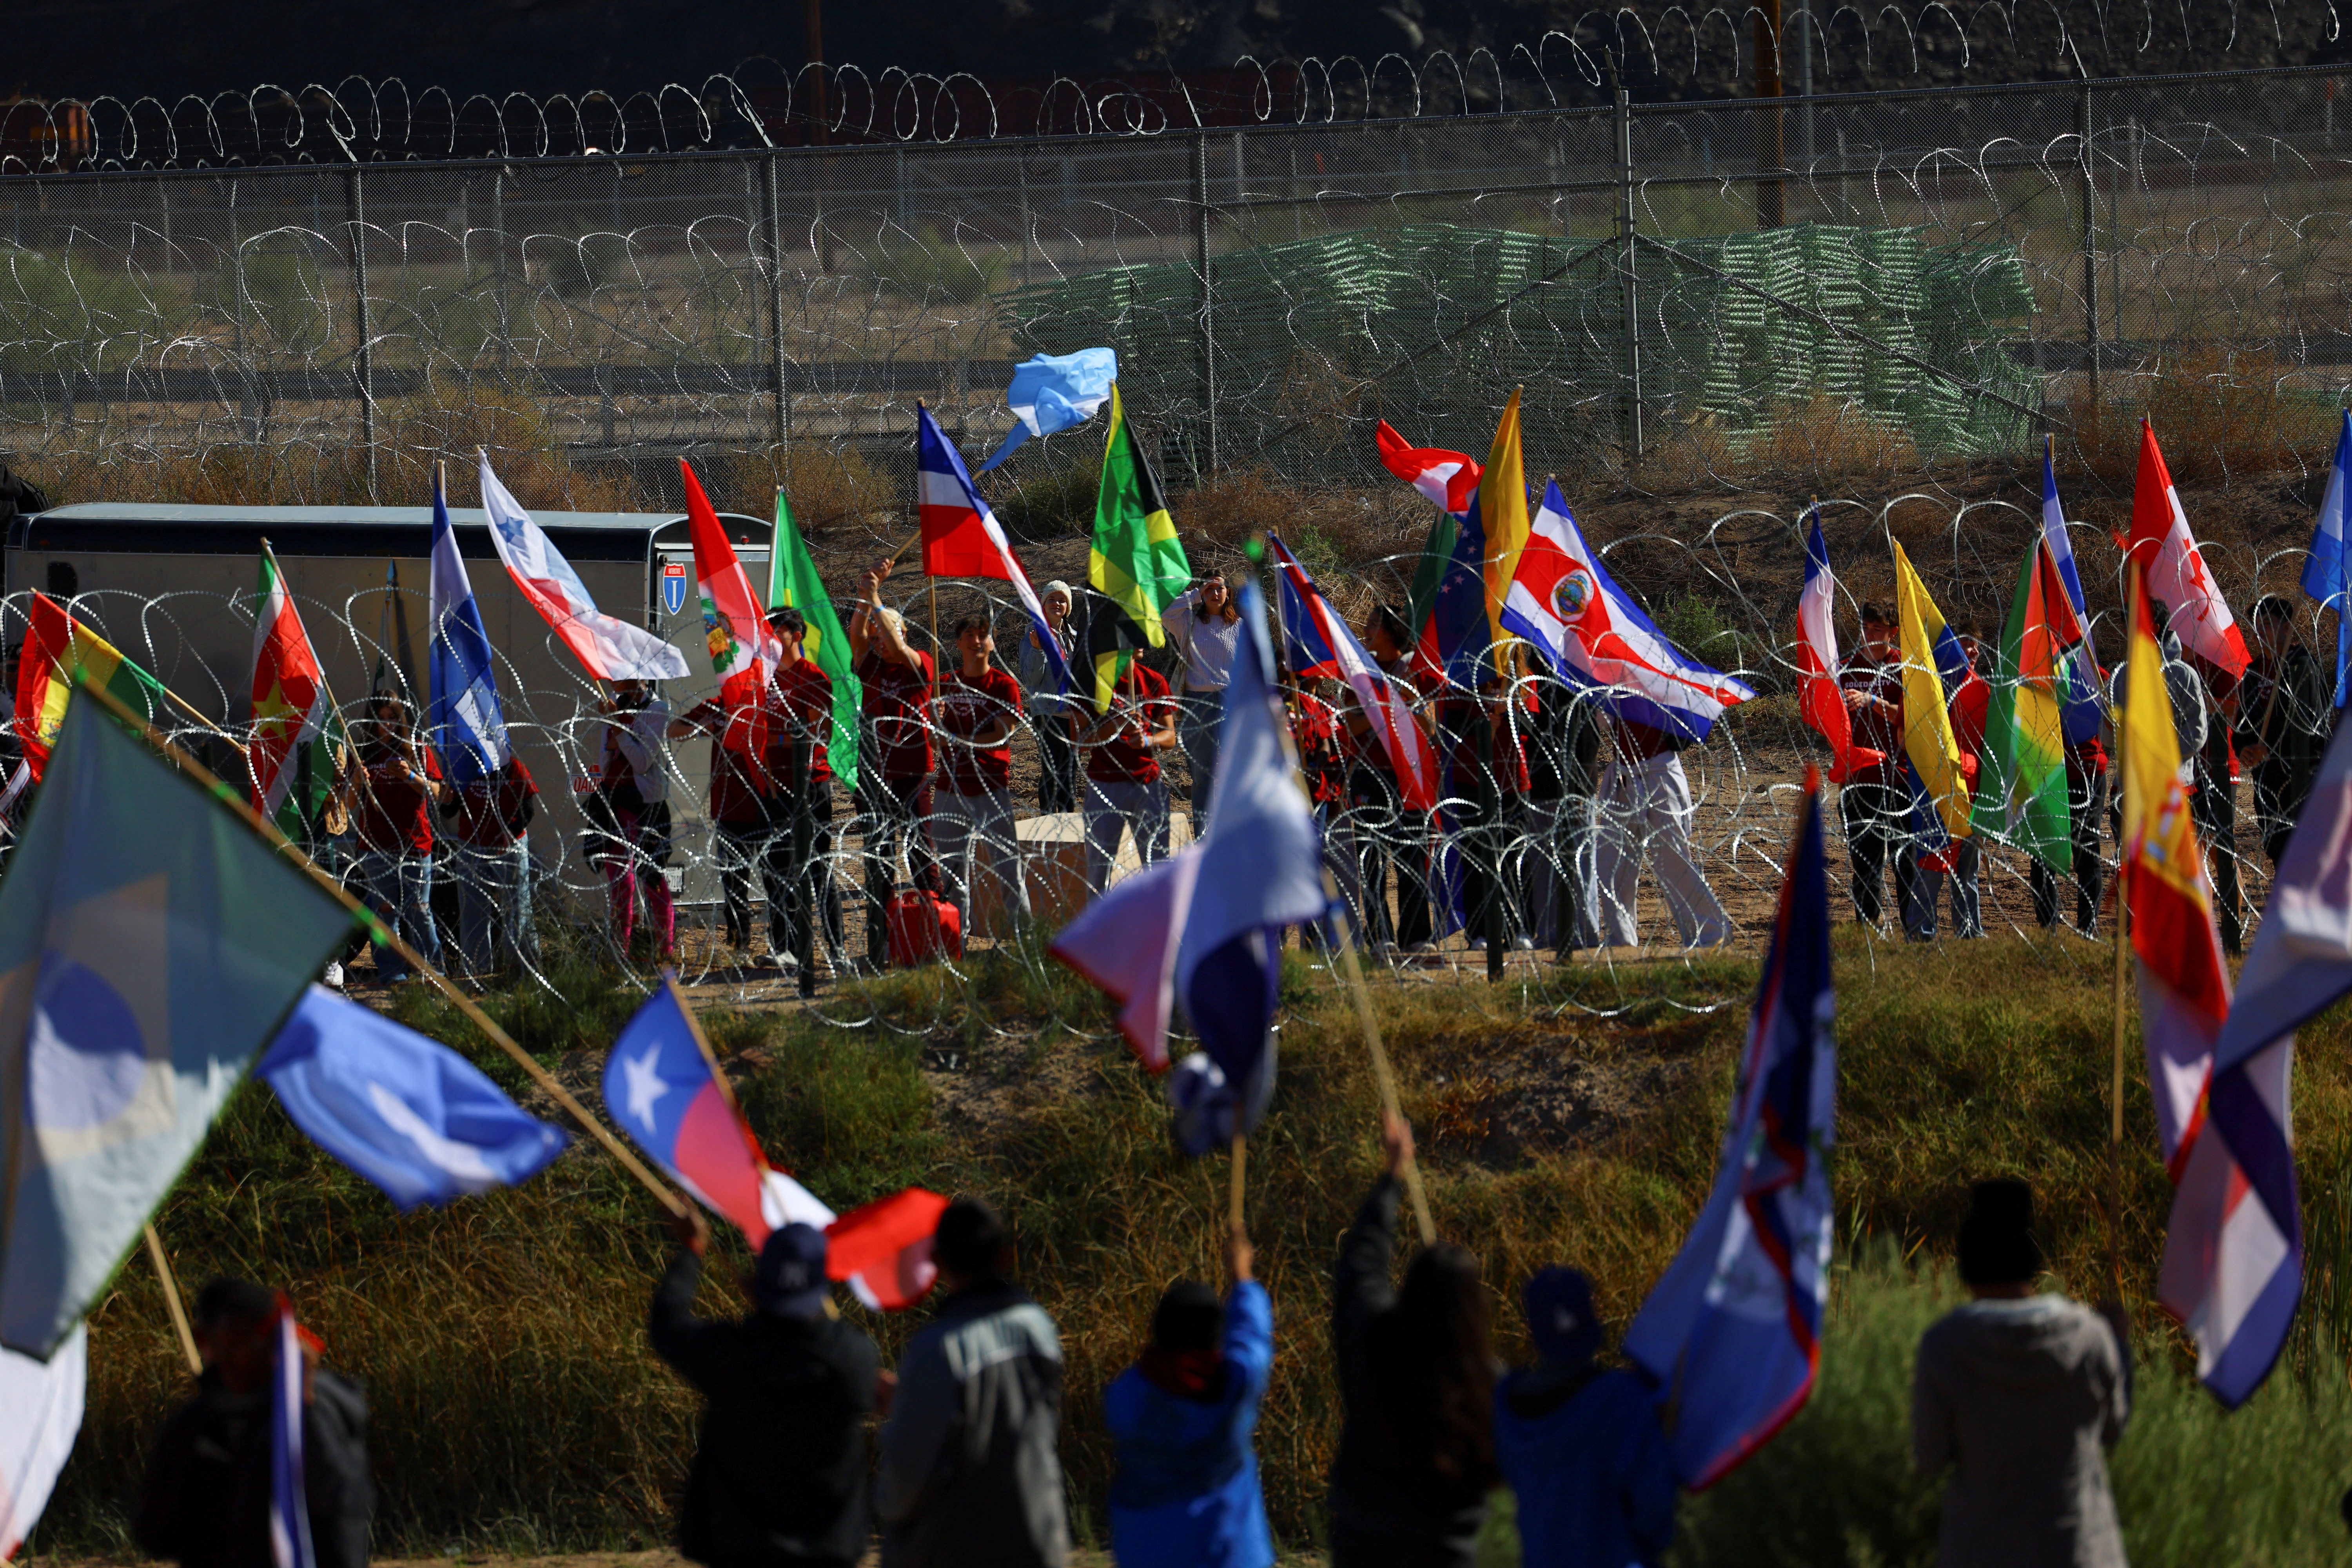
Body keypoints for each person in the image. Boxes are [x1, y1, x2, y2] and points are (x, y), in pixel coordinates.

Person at [1912, 1179, 2131, 1568]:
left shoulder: (1945, 1347)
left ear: (1967, 1260)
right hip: (2080, 1552)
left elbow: (1929, 1456)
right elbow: (2114, 1428)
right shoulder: (2090, 1337)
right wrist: (2119, 1346)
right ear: (2033, 1259)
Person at [648, 1206, 880, 1568]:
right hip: (827, 1552)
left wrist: (692, 1251)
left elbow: (668, 1325)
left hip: (739, 1550)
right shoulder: (856, 1359)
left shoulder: (730, 1355)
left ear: (759, 1281)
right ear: (823, 1284)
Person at [1328, 1112, 1497, 1567]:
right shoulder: (1488, 1385)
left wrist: (1392, 1175)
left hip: (1365, 1549)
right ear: (1473, 1310)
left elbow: (1361, 1264)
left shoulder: (1374, 1343)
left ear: (1410, 1289)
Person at [877, 1196, 1069, 1568]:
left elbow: (906, 1481)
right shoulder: (1040, 1330)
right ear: (1005, 1256)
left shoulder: (938, 1348)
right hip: (1039, 1536)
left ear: (937, 1262)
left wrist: (883, 1500)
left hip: (962, 1549)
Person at [134, 1278, 373, 1568]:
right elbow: (155, 1534)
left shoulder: (316, 1410)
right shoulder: (198, 1426)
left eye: (239, 1344)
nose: (229, 1357)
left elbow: (343, 1507)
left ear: (271, 1341)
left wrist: (303, 1401)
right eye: (220, 1345)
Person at [1103, 1219, 1275, 1568]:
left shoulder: (1125, 1396)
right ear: (1217, 1335)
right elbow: (1252, 1339)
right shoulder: (1234, 1386)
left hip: (1148, 1551)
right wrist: (1243, 1277)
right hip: (1230, 1553)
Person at [1493, 1266, 1675, 1568]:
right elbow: (1654, 1506)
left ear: (1533, 1329)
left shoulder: (1505, 1407)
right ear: (1593, 1317)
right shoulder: (1621, 1399)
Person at [849, 563, 941, 965]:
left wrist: (876, 600)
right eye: (879, 632)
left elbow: (895, 642)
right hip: (876, 774)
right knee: (880, 861)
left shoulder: (918, 661)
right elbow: (858, 635)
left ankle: (934, 929)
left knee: (922, 855)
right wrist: (865, 594)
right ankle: (880, 943)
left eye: (889, 631)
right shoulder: (870, 666)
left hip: (913, 772)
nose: (881, 638)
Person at [1586, 703, 1733, 951]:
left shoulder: (1662, 687)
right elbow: (1602, 724)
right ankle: (1620, 941)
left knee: (1672, 860)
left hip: (1659, 774)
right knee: (1611, 864)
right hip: (1623, 777)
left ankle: (1711, 934)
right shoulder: (1613, 685)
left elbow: (1682, 734)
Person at [670, 660, 788, 970]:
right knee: (735, 886)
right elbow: (674, 729)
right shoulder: (718, 707)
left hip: (765, 808)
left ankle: (780, 946)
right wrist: (704, 727)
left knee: (774, 883)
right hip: (729, 812)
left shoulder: (763, 708)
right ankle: (740, 946)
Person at [1838, 603, 1941, 938]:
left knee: (1905, 860)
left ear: (1893, 632)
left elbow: (1920, 716)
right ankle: (1870, 933)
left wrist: (1874, 703)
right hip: (1858, 780)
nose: (1870, 636)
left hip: (1899, 778)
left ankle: (1914, 932)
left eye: (1878, 631)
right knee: (1865, 863)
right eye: (1866, 629)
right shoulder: (1845, 668)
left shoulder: (1904, 667)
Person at [1342, 606, 1434, 954]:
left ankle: (1416, 938)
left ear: (1392, 630)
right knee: (1372, 858)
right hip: (1369, 774)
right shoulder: (1362, 674)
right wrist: (1384, 705)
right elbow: (1353, 725)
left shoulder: (1411, 670)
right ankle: (1380, 936)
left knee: (1411, 856)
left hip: (1408, 774)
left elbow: (1429, 727)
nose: (1366, 629)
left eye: (1374, 624)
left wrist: (1407, 702)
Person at [931, 613, 1030, 935]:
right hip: (950, 788)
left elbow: (1004, 733)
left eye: (983, 635)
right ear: (958, 643)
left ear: (993, 641)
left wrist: (962, 742)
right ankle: (956, 941)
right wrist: (935, 720)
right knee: (952, 874)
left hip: (991, 787)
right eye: (969, 635)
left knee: (1008, 869)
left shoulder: (1004, 685)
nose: (977, 641)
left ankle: (1023, 940)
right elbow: (934, 740)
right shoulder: (944, 685)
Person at [766, 605, 845, 975]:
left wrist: (777, 737)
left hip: (811, 786)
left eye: (776, 631)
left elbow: (818, 734)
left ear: (796, 635)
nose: (769, 638)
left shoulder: (812, 677)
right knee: (779, 869)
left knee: (818, 869)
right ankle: (785, 949)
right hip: (774, 785)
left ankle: (837, 948)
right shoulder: (764, 677)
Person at [345, 694, 445, 982]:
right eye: (381, 718)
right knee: (385, 913)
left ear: (402, 721)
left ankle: (434, 972)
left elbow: (437, 792)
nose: (387, 724)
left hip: (414, 844)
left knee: (420, 911)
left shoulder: (417, 751)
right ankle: (392, 974)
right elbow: (351, 803)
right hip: (375, 846)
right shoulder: (362, 753)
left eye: (393, 718)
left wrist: (411, 777)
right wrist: (356, 781)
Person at [2235, 593, 2335, 869]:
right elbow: (2242, 726)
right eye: (2257, 624)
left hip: (2303, 782)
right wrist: (2244, 748)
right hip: (2268, 783)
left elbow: (2310, 727)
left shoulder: (2302, 667)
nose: (2260, 631)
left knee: (2307, 862)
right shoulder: (2254, 673)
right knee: (2279, 854)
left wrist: (2271, 749)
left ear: (2287, 628)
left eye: (2267, 623)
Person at [1076, 653, 1178, 893]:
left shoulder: (1154, 681)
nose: (1137, 642)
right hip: (1105, 784)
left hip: (1148, 783)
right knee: (1099, 873)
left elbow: (1171, 737)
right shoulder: (1092, 682)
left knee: (1158, 870)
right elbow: (1079, 742)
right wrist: (1116, 724)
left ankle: (1159, 928)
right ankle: (1101, 931)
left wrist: (1147, 740)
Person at [592, 679, 677, 963]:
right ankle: (620, 952)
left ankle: (665, 951)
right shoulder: (613, 705)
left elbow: (643, 761)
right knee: (620, 880)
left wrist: (620, 731)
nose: (613, 679)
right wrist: (611, 723)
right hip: (615, 801)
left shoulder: (657, 709)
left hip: (646, 804)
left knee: (652, 877)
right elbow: (604, 761)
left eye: (621, 672)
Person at [1524, 668, 1602, 955]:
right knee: (1543, 863)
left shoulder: (1579, 669)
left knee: (1579, 860)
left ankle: (1584, 932)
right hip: (1538, 780)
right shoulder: (1530, 671)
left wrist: (1582, 781)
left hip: (1576, 782)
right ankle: (1548, 933)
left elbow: (1588, 732)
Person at [445, 752, 540, 980]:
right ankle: (476, 972)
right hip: (472, 844)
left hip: (508, 844)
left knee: (517, 908)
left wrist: (510, 834)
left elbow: (528, 810)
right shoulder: (467, 766)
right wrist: (446, 797)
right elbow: (449, 811)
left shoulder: (514, 767)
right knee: (473, 911)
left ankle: (521, 970)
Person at [1163, 573, 1242, 818]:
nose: (1215, 593)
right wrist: (1195, 595)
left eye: (1220, 588)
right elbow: (1164, 613)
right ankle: (1203, 838)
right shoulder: (1187, 622)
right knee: (1202, 773)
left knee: (1235, 773)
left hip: (1232, 703)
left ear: (1228, 592)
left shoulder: (1240, 626)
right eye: (1209, 589)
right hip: (1197, 703)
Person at [1945, 628, 1991, 940]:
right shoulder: (1941, 689)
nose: (1971, 653)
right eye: (1965, 647)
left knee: (1968, 863)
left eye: (1975, 647)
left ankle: (1970, 929)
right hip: (1947, 784)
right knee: (1949, 864)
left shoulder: (1985, 689)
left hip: (1976, 788)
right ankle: (1957, 929)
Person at [1020, 581, 1081, 815]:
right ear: (1043, 605)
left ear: (1069, 606)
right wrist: (1037, 650)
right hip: (1047, 712)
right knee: (1051, 769)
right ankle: (1048, 818)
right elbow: (1032, 680)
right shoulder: (1034, 635)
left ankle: (1067, 822)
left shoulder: (1074, 637)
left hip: (1072, 711)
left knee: (1071, 770)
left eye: (1063, 600)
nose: (1058, 604)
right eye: (1052, 600)